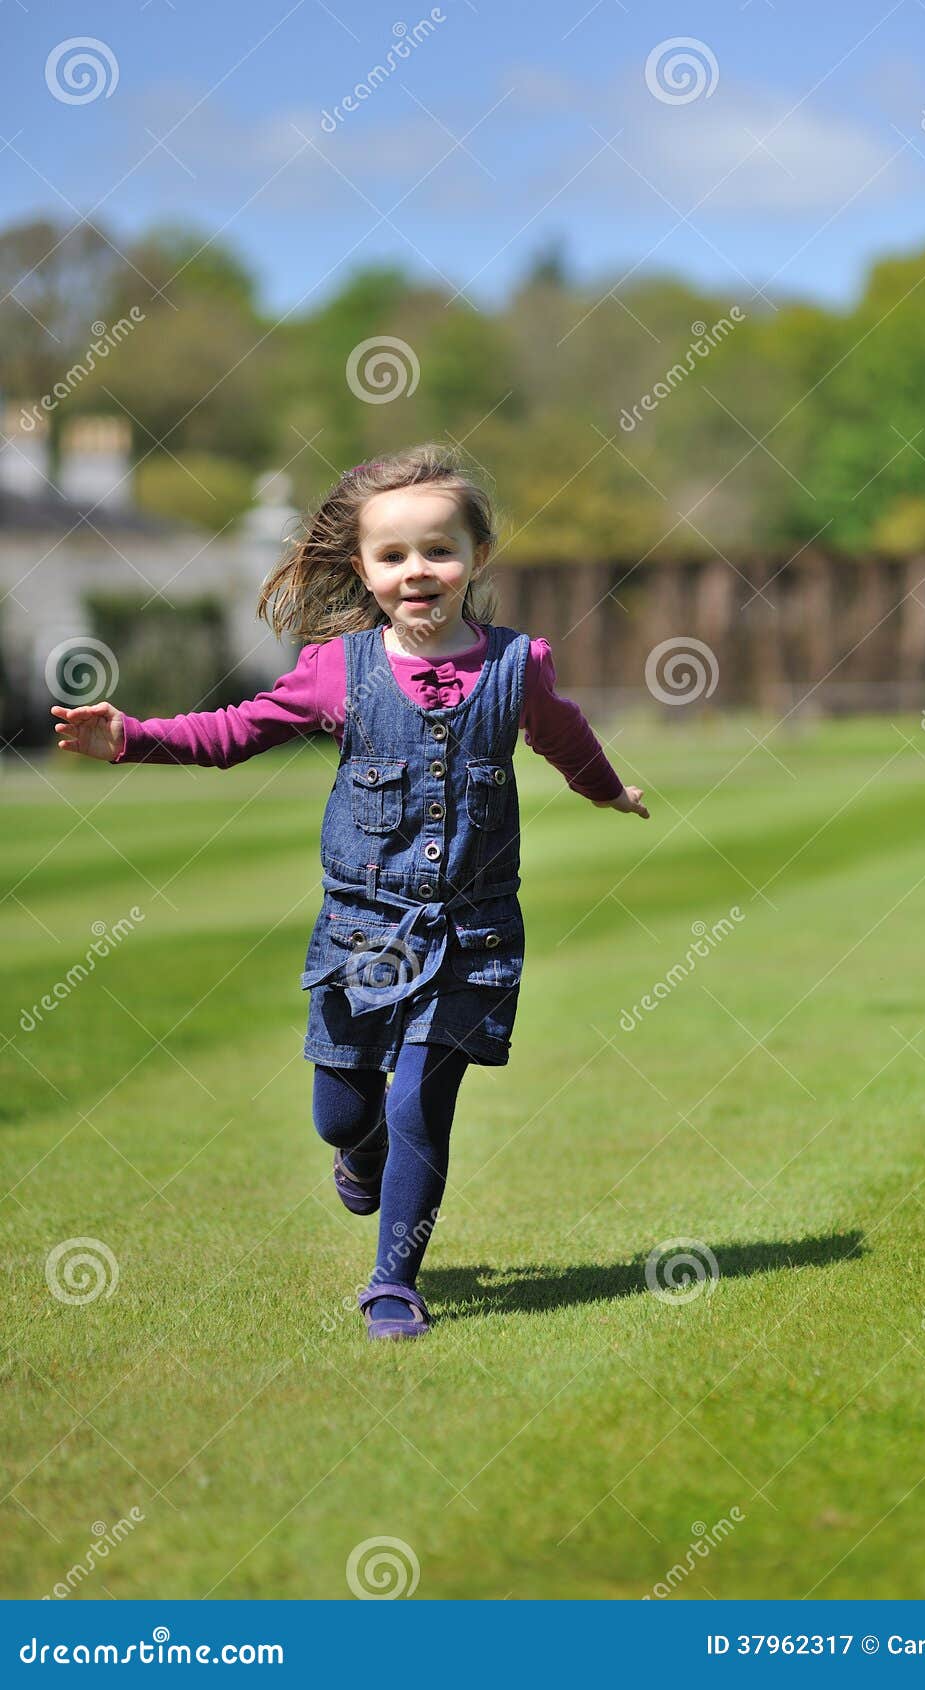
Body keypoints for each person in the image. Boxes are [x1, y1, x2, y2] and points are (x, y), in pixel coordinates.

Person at [50, 443, 650, 1340]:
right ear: (364, 569)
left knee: (419, 1104)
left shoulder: (517, 666)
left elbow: (563, 735)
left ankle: (394, 1284)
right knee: (344, 1112)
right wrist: (131, 736)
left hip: (472, 934)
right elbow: (238, 729)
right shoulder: (339, 669)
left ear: (476, 557)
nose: (418, 572)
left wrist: (605, 789)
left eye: (439, 550)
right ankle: (358, 1152)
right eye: (394, 555)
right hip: (364, 930)